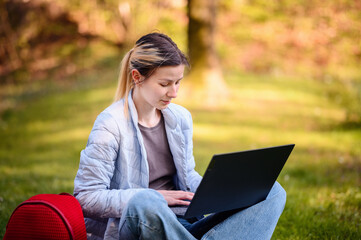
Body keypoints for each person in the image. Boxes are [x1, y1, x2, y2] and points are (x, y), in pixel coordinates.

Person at [73, 32, 286, 240]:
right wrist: (156, 197)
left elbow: (187, 174)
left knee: (272, 190)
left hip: (183, 223)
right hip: (141, 224)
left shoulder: (180, 117)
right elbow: (86, 197)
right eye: (165, 84)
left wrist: (217, 191)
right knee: (144, 201)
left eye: (178, 82)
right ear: (137, 77)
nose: (174, 93)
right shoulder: (110, 124)